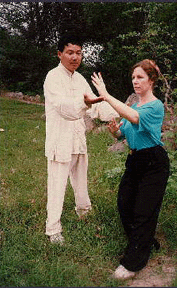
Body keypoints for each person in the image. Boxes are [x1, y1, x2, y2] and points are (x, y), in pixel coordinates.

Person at [84, 59, 170, 279]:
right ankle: (144, 242)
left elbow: (134, 119)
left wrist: (104, 94)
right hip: (135, 162)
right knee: (125, 204)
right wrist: (114, 131)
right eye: (133, 77)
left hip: (153, 163)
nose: (135, 81)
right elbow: (124, 133)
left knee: (144, 211)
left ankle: (133, 263)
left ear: (151, 80)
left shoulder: (155, 106)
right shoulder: (133, 106)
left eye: (140, 77)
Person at [43, 34, 119, 244]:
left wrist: (120, 111)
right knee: (57, 185)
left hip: (77, 138)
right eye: (70, 53)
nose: (75, 57)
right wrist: (85, 104)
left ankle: (84, 212)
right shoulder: (52, 77)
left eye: (78, 53)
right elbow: (64, 109)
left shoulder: (79, 78)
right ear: (60, 54)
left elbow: (95, 104)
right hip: (60, 139)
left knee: (81, 180)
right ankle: (53, 229)